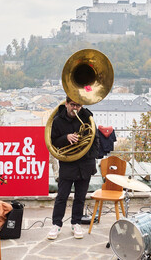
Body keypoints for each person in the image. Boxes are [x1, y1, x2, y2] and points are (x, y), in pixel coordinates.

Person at [47, 96, 98, 240]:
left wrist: (90, 157)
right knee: (62, 197)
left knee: (80, 198)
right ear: (67, 104)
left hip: (85, 164)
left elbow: (95, 138)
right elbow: (53, 142)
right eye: (73, 105)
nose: (75, 108)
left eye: (78, 106)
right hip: (68, 164)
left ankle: (76, 223)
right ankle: (56, 225)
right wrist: (66, 137)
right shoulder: (58, 120)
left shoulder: (87, 118)